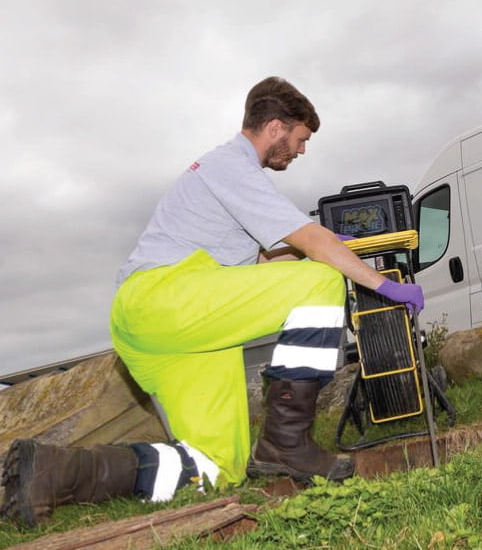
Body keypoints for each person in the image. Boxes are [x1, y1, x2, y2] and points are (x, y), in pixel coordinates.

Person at [0, 76, 424, 527]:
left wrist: (310, 246)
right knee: (321, 280)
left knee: (218, 467)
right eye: (300, 139)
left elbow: (263, 263)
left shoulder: (224, 177)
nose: (301, 151)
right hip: (163, 299)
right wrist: (383, 285)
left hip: (170, 327)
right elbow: (310, 243)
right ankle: (286, 441)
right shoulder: (232, 166)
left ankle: (58, 474)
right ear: (276, 127)